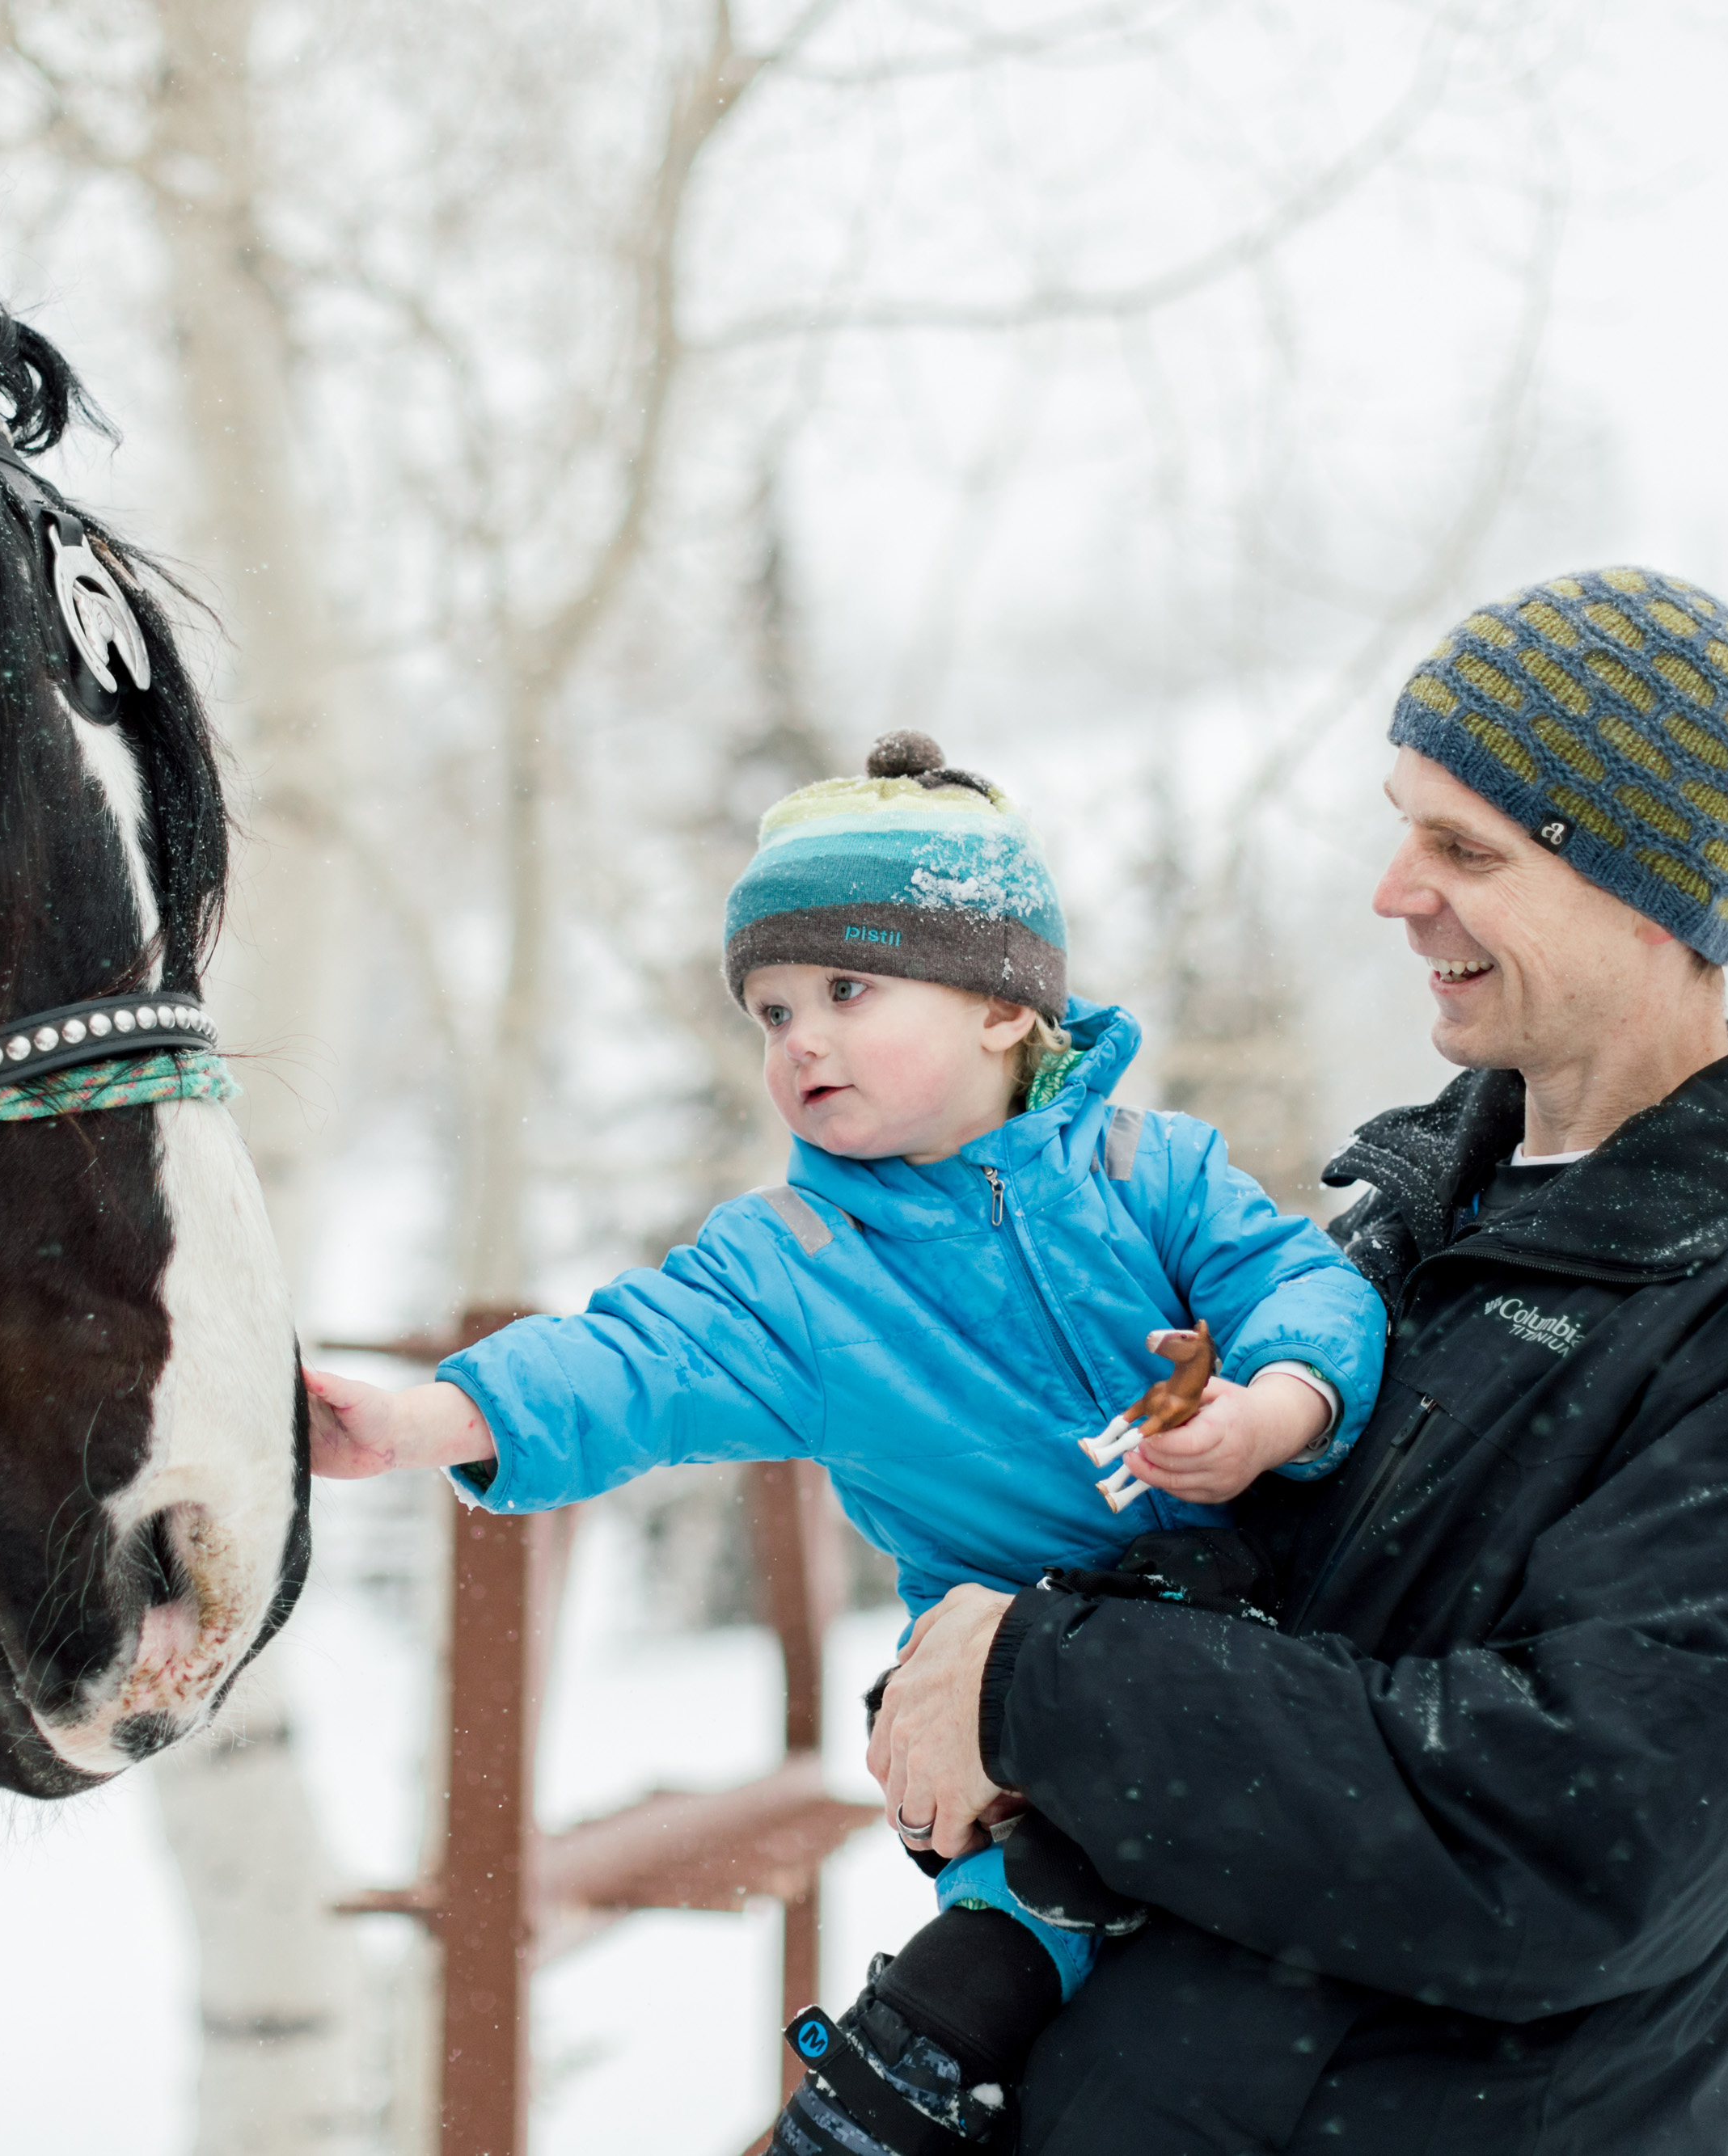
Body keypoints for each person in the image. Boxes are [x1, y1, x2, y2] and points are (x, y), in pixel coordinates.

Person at [860, 567, 1728, 2154]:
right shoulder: (1381, 1240)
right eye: (1403, 825)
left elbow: (1563, 1834)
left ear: (1652, 896)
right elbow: (1159, 1614)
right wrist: (958, 1672)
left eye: (1467, 849)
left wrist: (1040, 1686)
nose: (1394, 889)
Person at [306, 732, 1390, 2154]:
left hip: (1269, 1632)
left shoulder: (1153, 1171)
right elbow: (633, 1354)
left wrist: (1272, 1409)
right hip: (1027, 1692)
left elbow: (1305, 1287)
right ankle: (896, 2088)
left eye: (846, 989)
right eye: (768, 1011)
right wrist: (417, 1418)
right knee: (1046, 1908)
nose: (796, 1038)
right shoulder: (798, 1266)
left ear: (1005, 1007)